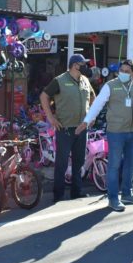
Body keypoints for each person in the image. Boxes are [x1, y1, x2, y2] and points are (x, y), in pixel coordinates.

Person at [75, 59, 133, 212]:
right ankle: (113, 198)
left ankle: (127, 194)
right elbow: (97, 104)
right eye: (121, 70)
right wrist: (86, 121)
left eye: (127, 71)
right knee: (114, 166)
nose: (123, 73)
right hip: (116, 132)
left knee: (130, 165)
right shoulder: (110, 86)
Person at [40, 54, 95, 203]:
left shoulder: (85, 80)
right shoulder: (59, 80)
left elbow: (93, 97)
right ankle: (58, 194)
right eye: (83, 64)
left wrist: (92, 116)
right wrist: (51, 118)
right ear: (75, 65)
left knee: (79, 161)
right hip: (65, 128)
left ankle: (77, 192)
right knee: (62, 163)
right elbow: (44, 96)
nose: (86, 67)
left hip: (82, 128)